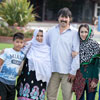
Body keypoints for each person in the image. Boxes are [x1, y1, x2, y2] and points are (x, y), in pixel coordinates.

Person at [46, 7, 80, 100]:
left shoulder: (74, 33)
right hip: (53, 70)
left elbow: (77, 54)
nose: (64, 19)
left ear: (70, 19)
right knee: (50, 96)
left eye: (66, 17)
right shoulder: (51, 31)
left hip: (68, 72)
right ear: (58, 18)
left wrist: (73, 71)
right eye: (62, 17)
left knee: (67, 97)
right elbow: (44, 46)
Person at [17, 29, 51, 100]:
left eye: (41, 36)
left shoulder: (48, 49)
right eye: (37, 36)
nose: (39, 38)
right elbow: (18, 53)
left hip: (40, 80)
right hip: (26, 77)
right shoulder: (29, 45)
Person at [72, 24, 100, 100]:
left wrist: (95, 79)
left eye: (86, 32)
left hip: (91, 77)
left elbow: (97, 65)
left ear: (89, 32)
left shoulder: (95, 45)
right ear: (79, 33)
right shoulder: (76, 45)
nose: (83, 34)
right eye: (81, 32)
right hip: (79, 77)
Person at [0, 32, 25, 100]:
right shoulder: (7, 51)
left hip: (12, 84)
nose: (19, 44)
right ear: (13, 42)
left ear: (23, 44)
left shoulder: (23, 55)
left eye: (21, 42)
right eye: (17, 42)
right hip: (2, 82)